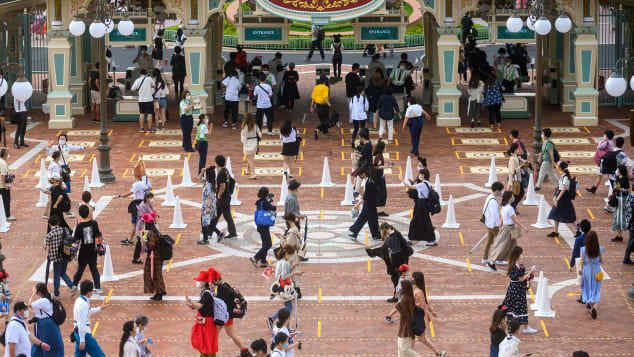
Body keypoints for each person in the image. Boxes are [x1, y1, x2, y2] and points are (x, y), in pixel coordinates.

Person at [487, 191, 527, 271]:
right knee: (503, 245)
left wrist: (500, 226)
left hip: (508, 227)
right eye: (512, 196)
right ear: (509, 198)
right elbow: (514, 220)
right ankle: (492, 261)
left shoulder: (503, 207)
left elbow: (501, 219)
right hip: (510, 228)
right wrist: (523, 227)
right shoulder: (510, 208)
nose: (513, 197)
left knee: (513, 245)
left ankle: (512, 261)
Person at [501, 246, 537, 334]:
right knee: (514, 308)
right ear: (517, 256)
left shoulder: (520, 266)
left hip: (518, 290)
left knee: (521, 307)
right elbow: (520, 279)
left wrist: (529, 273)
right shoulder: (514, 266)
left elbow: (523, 277)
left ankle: (525, 327)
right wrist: (530, 272)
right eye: (521, 254)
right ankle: (512, 327)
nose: (523, 256)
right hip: (515, 291)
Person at [411, 272, 446, 356]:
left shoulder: (418, 292)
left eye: (412, 278)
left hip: (416, 318)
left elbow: (424, 305)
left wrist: (428, 316)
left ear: (416, 280)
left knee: (418, 338)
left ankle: (438, 352)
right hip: (413, 316)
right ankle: (438, 353)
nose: (411, 279)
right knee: (419, 339)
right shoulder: (415, 289)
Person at [268, 246, 303, 327]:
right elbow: (284, 276)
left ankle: (274, 319)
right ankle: (282, 324)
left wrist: (292, 267)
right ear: (286, 254)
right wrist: (295, 273)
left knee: (288, 307)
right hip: (284, 288)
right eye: (289, 255)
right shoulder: (284, 262)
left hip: (282, 286)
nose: (290, 257)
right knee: (288, 308)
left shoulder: (281, 261)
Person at [186, 270, 219, 357]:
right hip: (204, 321)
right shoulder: (204, 292)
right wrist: (192, 305)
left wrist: (191, 302)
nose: (197, 282)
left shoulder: (207, 294)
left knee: (208, 344)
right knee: (203, 342)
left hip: (208, 322)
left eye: (199, 280)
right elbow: (201, 305)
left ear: (204, 282)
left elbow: (200, 305)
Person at [72, 205, 102, 294]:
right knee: (94, 269)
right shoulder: (94, 223)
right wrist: (99, 247)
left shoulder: (79, 226)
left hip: (83, 252)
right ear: (88, 213)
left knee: (80, 270)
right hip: (93, 251)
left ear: (80, 214)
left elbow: (76, 241)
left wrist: (74, 253)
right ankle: (98, 287)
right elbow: (98, 235)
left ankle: (74, 285)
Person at [73, 280, 108, 357]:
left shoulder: (80, 300)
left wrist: (100, 308)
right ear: (88, 292)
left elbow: (87, 313)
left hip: (78, 333)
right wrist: (82, 340)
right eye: (92, 290)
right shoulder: (83, 304)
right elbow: (81, 323)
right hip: (84, 335)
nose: (92, 292)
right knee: (100, 355)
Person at [28, 283, 64, 357]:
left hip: (44, 325)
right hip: (51, 323)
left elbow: (29, 305)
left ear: (39, 292)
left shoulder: (43, 301)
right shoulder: (49, 296)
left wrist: (33, 294)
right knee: (52, 343)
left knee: (44, 344)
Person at [385, 280, 419, 357]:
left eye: (401, 287)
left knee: (404, 348)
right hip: (405, 324)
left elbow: (398, 306)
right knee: (401, 349)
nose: (400, 288)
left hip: (406, 326)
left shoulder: (405, 298)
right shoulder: (408, 296)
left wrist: (397, 296)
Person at [45, 215, 76, 298]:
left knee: (56, 275)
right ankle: (72, 286)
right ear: (58, 223)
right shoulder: (64, 230)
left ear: (49, 224)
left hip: (56, 258)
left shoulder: (49, 235)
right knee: (62, 272)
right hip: (65, 255)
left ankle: (56, 293)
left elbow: (46, 248)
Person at [348, 166, 381, 241]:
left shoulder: (369, 183)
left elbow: (366, 196)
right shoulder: (370, 180)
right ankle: (375, 235)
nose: (360, 176)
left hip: (369, 204)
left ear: (364, 174)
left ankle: (354, 231)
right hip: (370, 203)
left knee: (365, 219)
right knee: (371, 219)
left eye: (360, 175)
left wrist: (358, 204)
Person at [406, 167, 437, 245]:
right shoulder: (428, 183)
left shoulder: (422, 184)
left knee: (415, 221)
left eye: (420, 174)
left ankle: (412, 239)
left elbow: (410, 187)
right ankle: (430, 239)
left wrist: (402, 180)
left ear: (423, 175)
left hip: (421, 204)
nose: (419, 175)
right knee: (425, 221)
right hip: (425, 204)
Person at [546, 161, 576, 239]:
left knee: (567, 216)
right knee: (556, 214)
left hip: (563, 198)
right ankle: (556, 232)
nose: (557, 166)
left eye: (558, 166)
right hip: (562, 197)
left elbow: (563, 189)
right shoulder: (564, 176)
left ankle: (578, 231)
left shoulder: (565, 177)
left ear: (560, 168)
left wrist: (557, 199)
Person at [381, 223, 410, 303]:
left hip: (399, 262)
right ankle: (397, 296)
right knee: (398, 279)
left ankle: (399, 297)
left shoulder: (393, 237)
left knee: (397, 279)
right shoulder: (395, 234)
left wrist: (393, 264)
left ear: (385, 230)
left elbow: (396, 252)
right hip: (402, 260)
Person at [141, 215, 166, 301]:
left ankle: (159, 292)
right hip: (157, 257)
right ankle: (158, 292)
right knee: (156, 275)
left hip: (154, 258)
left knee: (154, 275)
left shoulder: (151, 233)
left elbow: (151, 246)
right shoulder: (154, 231)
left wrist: (145, 240)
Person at [580, 231, 603, 319]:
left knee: (586, 288)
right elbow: (601, 261)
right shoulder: (599, 249)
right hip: (597, 271)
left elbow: (582, 262)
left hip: (586, 271)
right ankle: (595, 307)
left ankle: (590, 304)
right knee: (596, 290)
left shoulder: (583, 249)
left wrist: (580, 271)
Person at [214, 155, 238, 239]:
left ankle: (210, 230)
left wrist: (219, 195)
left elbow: (222, 186)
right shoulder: (226, 171)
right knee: (225, 215)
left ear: (217, 163)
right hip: (227, 197)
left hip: (222, 199)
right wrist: (230, 191)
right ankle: (233, 232)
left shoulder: (220, 173)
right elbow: (233, 181)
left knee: (216, 215)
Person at [251, 186, 276, 267]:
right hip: (264, 226)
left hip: (260, 225)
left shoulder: (259, 202)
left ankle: (263, 261)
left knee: (264, 243)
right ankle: (255, 257)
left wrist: (268, 200)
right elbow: (273, 208)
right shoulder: (265, 202)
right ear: (266, 194)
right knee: (268, 244)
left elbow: (263, 205)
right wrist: (270, 201)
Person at [586, 130, 615, 194]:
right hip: (606, 161)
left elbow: (598, 147)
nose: (603, 136)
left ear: (607, 136)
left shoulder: (606, 142)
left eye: (604, 135)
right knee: (600, 175)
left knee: (609, 176)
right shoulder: (611, 142)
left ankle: (614, 190)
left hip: (604, 162)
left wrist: (601, 142)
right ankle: (594, 188)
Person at [482, 182, 504, 264]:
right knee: (500, 242)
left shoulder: (489, 198)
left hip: (489, 224)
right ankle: (498, 259)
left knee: (489, 241)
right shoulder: (493, 202)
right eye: (500, 191)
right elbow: (495, 215)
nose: (501, 192)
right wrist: (500, 225)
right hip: (494, 225)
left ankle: (484, 258)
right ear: (497, 191)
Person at [199, 166, 220, 245]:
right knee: (208, 222)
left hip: (208, 205)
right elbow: (199, 179)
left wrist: (207, 207)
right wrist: (202, 172)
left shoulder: (209, 185)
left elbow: (209, 197)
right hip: (212, 205)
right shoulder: (210, 182)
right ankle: (219, 233)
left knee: (204, 222)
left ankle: (205, 239)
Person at [131, 69, 155, 133]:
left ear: (140, 73)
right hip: (149, 99)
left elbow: (132, 89)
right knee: (150, 114)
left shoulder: (137, 80)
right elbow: (154, 86)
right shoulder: (149, 78)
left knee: (142, 114)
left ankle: (141, 128)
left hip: (141, 100)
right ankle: (149, 129)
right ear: (146, 73)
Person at [611, 164, 630, 242]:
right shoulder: (618, 177)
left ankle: (620, 235)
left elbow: (628, 190)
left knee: (620, 216)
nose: (617, 171)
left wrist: (620, 189)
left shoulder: (625, 179)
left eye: (618, 170)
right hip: (618, 198)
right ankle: (619, 235)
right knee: (616, 216)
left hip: (622, 199)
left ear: (621, 171)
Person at [505, 143, 526, 213]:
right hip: (515, 180)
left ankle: (513, 207)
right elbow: (513, 171)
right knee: (519, 194)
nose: (519, 150)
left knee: (518, 194)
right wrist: (521, 166)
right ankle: (512, 207)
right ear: (515, 150)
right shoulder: (512, 159)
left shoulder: (515, 157)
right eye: (517, 149)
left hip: (517, 179)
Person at [241, 114, 261, 180]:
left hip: (248, 143)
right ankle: (247, 170)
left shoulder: (244, 126)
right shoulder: (255, 125)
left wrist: (244, 143)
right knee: (250, 157)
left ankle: (253, 174)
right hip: (254, 143)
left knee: (250, 159)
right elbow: (260, 134)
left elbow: (243, 137)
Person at [373, 140, 389, 216]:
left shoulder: (379, 155)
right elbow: (376, 166)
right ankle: (376, 212)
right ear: (382, 148)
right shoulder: (379, 156)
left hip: (380, 177)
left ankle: (379, 211)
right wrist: (386, 166)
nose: (386, 149)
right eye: (385, 147)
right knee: (380, 195)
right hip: (378, 179)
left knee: (382, 194)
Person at [13, 74, 28, 149]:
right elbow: (19, 100)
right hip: (19, 111)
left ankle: (21, 142)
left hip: (24, 110)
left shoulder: (22, 90)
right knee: (19, 128)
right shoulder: (16, 89)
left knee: (24, 127)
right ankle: (15, 143)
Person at [0, 147, 15, 221]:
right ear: (5, 154)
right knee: (6, 200)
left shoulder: (1, 161)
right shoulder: (3, 163)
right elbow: (2, 175)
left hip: (1, 185)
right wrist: (4, 185)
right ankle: (7, 215)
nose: (8, 154)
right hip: (3, 186)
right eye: (8, 153)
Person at [625, 190, 634, 265]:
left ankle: (627, 257)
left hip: (628, 220)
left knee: (631, 239)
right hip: (632, 221)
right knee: (631, 240)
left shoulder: (629, 196)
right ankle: (626, 257)